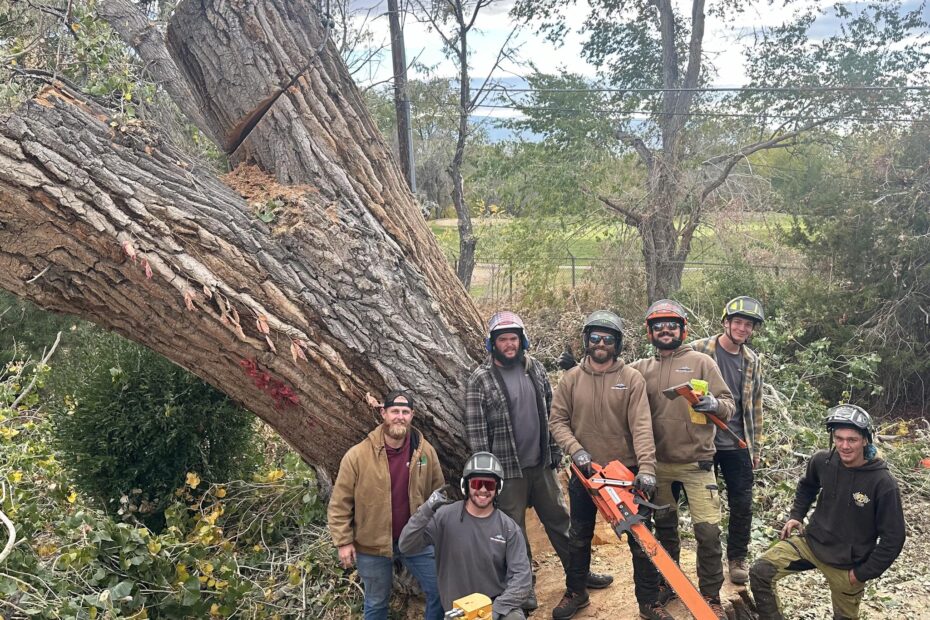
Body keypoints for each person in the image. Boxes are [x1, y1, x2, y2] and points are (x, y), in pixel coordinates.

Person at [465, 311, 612, 611]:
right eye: (503, 340)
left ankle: (579, 575)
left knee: (561, 521)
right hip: (507, 471)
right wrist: (487, 476)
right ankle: (523, 588)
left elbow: (552, 412)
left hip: (541, 464)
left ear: (522, 341)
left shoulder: (535, 369)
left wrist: (555, 453)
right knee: (513, 532)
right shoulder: (480, 380)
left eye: (514, 339)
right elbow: (477, 434)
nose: (509, 345)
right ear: (492, 344)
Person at [548, 311, 660, 620]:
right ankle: (576, 591)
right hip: (586, 473)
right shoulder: (570, 380)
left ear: (617, 344)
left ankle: (649, 601)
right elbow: (557, 421)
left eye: (608, 339)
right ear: (586, 341)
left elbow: (642, 426)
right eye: (595, 338)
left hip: (625, 473)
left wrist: (647, 468)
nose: (601, 344)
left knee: (641, 540)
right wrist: (576, 451)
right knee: (579, 535)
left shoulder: (631, 379)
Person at [629, 299, 735, 619]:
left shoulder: (702, 362)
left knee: (708, 532)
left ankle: (710, 594)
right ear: (649, 332)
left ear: (682, 329)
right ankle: (668, 581)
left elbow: (729, 406)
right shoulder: (639, 370)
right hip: (657, 465)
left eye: (671, 325)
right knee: (665, 529)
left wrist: (714, 404)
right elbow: (608, 385)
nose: (665, 330)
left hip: (698, 463)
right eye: (658, 326)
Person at [749, 404, 905, 620]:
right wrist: (796, 515)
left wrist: (862, 574)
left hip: (848, 564)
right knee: (761, 571)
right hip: (812, 543)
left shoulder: (883, 482)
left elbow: (894, 538)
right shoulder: (823, 461)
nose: (844, 445)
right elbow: (807, 485)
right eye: (839, 438)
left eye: (852, 440)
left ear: (865, 440)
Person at [327, 390, 445, 620]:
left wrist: (437, 533)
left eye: (405, 412)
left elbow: (437, 494)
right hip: (372, 544)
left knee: (439, 591)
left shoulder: (425, 452)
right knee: (376, 603)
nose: (399, 417)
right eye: (394, 411)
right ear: (383, 413)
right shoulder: (358, 456)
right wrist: (343, 541)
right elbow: (340, 503)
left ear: (412, 415)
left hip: (415, 540)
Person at [399, 452, 532, 620]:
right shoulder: (444, 517)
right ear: (466, 485)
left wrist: (493, 611)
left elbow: (522, 579)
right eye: (477, 483)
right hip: (457, 612)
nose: (483, 490)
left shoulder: (509, 528)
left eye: (489, 485)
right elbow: (406, 545)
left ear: (498, 488)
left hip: (495, 609)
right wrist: (426, 509)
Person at [691, 296, 765, 585]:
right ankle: (705, 561)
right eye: (738, 322)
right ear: (726, 322)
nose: (743, 328)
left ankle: (737, 557)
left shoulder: (751, 360)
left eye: (748, 325)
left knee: (742, 503)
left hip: (737, 442)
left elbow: (755, 405)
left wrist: (755, 447)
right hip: (702, 441)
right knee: (704, 505)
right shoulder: (699, 350)